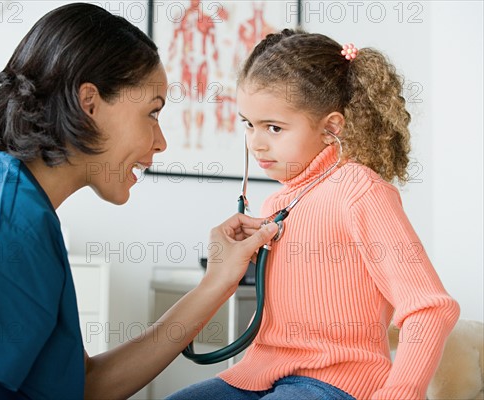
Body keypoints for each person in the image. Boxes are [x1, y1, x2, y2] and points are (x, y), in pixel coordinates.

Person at [0, 3, 280, 399]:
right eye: (152, 114)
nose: (160, 143)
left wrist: (216, 282)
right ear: (89, 103)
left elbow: (85, 386)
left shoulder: (17, 202)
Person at [167, 29, 460, 400]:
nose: (256, 142)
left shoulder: (360, 190)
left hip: (337, 382)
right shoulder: (275, 206)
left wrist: (400, 391)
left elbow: (429, 308)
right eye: (249, 124)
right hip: (258, 374)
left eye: (273, 127)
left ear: (331, 129)